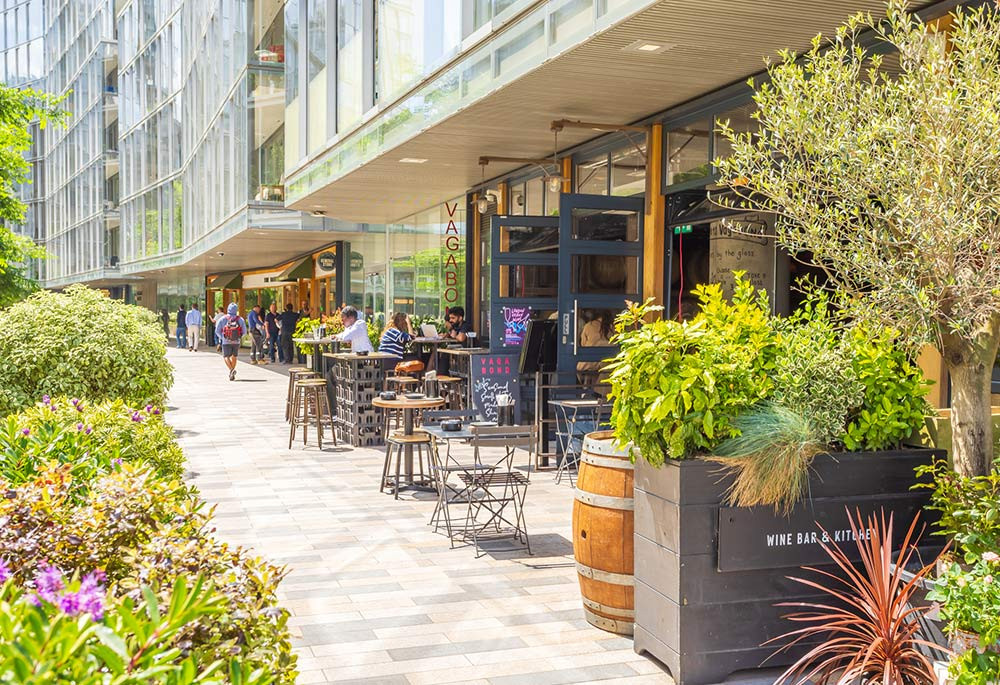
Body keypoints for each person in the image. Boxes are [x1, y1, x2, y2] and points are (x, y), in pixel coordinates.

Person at [577, 310, 614, 392]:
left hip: (588, 360)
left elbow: (583, 343)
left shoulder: (589, 325)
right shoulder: (611, 327)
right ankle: (595, 391)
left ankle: (584, 390)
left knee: (580, 370)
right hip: (604, 361)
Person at [215, 303, 247, 381]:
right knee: (234, 356)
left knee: (226, 357)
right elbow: (245, 332)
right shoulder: (240, 319)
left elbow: (217, 331)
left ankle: (231, 370)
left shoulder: (223, 319)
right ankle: (231, 373)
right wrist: (238, 338)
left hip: (226, 341)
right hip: (236, 342)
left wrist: (222, 337)